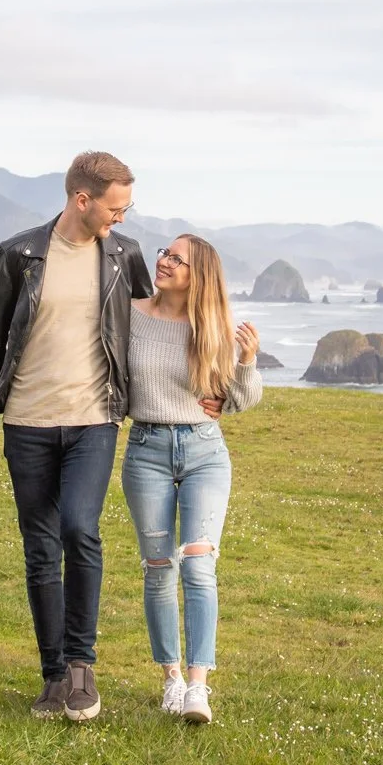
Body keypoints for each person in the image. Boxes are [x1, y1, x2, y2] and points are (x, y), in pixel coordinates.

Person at [0, 151, 153, 721]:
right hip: (27, 422)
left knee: (80, 528)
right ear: (83, 199)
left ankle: (81, 666)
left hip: (94, 419)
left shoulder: (125, 255)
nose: (122, 218)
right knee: (40, 547)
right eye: (115, 207)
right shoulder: (20, 254)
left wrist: (215, 374)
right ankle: (52, 677)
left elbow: (153, 326)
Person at [121, 232, 262, 724]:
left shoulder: (214, 327)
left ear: (196, 275)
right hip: (146, 450)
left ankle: (199, 688)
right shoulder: (131, 314)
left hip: (204, 452)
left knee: (199, 567)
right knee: (159, 570)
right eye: (165, 252)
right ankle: (171, 679)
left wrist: (246, 363)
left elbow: (241, 400)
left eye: (176, 259)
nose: (163, 261)